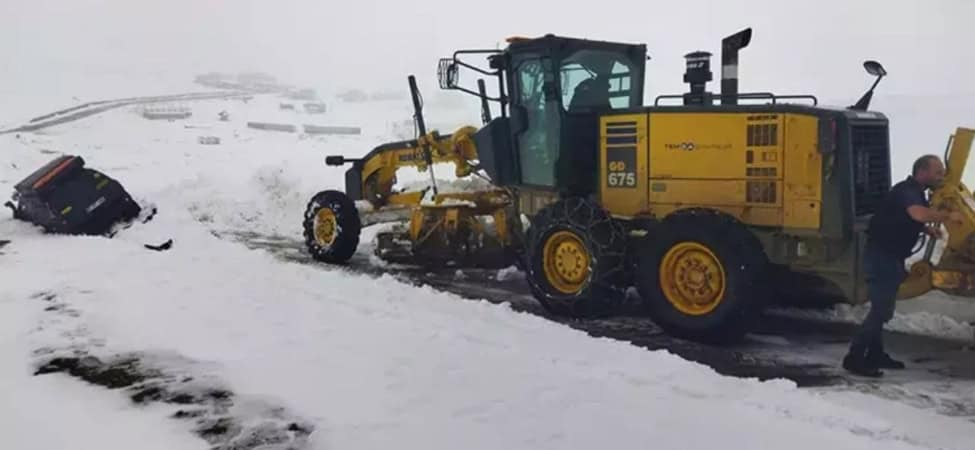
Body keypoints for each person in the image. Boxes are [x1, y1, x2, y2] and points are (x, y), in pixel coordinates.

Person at [843, 154, 964, 377]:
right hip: (882, 258)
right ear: (922, 172)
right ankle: (855, 357)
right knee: (881, 311)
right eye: (937, 172)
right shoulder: (906, 191)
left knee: (881, 309)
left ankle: (875, 354)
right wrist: (948, 216)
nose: (941, 176)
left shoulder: (915, 192)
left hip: (890, 257)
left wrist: (927, 229)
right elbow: (917, 213)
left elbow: (904, 218)